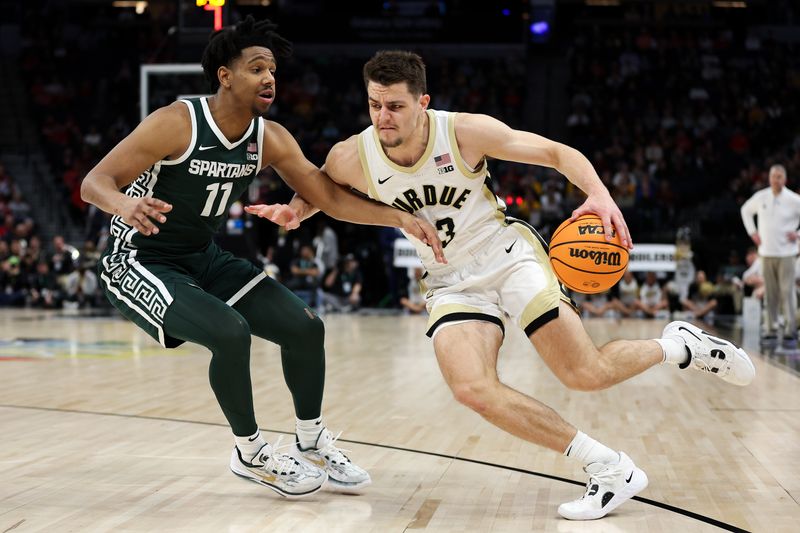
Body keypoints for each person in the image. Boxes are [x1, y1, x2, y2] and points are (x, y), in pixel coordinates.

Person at [256, 50, 757, 520]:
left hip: (507, 254)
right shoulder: (354, 154)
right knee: (472, 388)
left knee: (585, 373)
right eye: (373, 104)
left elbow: (557, 152)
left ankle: (679, 347)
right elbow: (321, 186)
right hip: (449, 279)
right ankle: (608, 467)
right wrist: (296, 210)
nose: (382, 116)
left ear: (422, 103)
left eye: (394, 106)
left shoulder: (465, 132)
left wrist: (600, 195)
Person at [80, 22, 445, 499]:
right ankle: (249, 452)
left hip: (203, 258)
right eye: (256, 68)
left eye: (272, 69)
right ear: (224, 75)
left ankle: (311, 442)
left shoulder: (269, 138)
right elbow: (94, 183)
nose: (270, 78)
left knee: (305, 327)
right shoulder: (177, 121)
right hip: (139, 259)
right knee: (230, 333)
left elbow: (326, 197)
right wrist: (125, 204)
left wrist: (397, 218)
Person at [741, 164, 800, 346]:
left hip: (787, 253)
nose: (776, 180)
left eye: (780, 176)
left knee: (787, 291)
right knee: (770, 293)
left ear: (785, 179)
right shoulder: (761, 197)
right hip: (766, 253)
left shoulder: (793, 199)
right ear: (769, 178)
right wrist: (752, 232)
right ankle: (771, 330)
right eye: (774, 176)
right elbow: (745, 210)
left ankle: (790, 330)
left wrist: (798, 234)